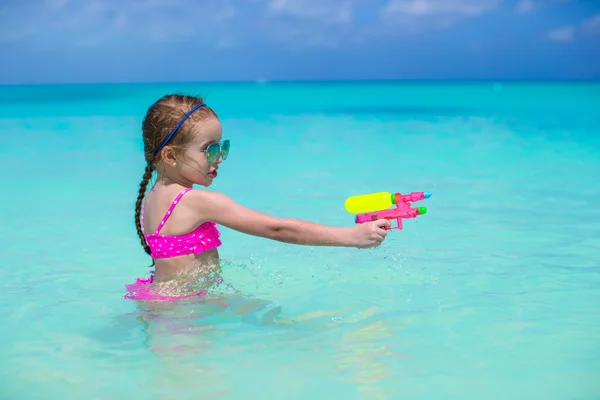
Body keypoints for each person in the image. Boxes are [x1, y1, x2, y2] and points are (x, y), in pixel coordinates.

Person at [124, 94, 391, 301]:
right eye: (210, 149)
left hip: (164, 300)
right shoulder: (197, 202)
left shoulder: (154, 198)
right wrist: (352, 237)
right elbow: (276, 228)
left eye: (223, 147)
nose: (219, 158)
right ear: (170, 156)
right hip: (183, 310)